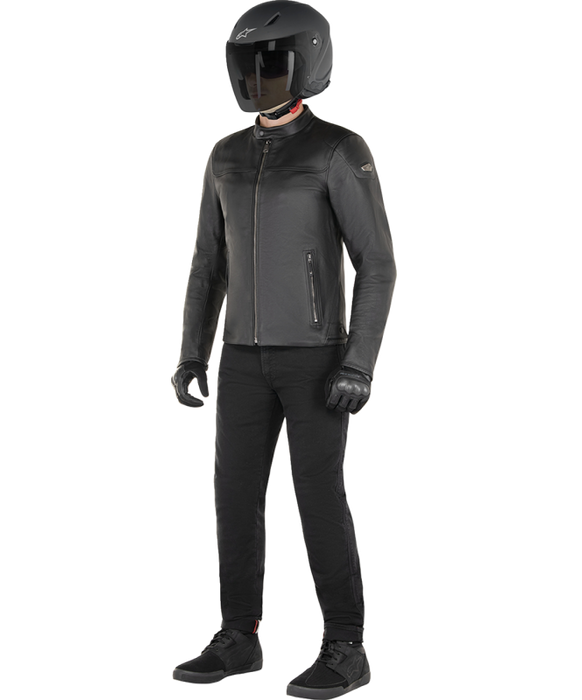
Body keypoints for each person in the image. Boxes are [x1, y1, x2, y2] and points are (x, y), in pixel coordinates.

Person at [168, 2, 397, 697]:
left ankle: (346, 647)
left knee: (317, 497)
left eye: (271, 64)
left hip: (316, 358)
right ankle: (238, 637)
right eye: (247, 65)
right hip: (240, 358)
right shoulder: (225, 154)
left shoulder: (339, 149)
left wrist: (358, 363)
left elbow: (378, 262)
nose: (256, 78)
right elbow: (207, 265)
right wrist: (191, 354)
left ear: (308, 64)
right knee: (233, 496)